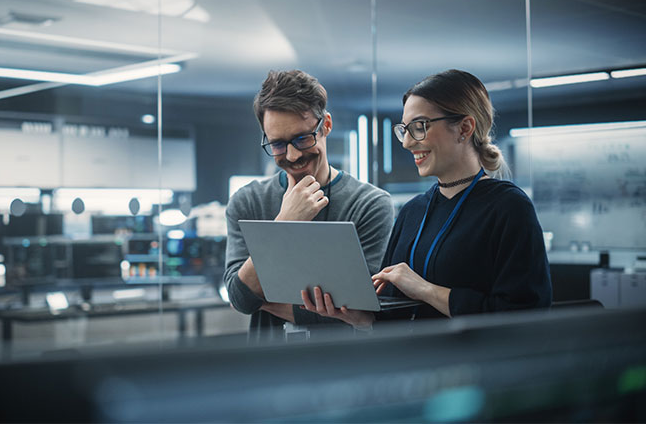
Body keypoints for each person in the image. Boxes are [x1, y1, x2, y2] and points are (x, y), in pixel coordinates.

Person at [364, 69, 552, 320]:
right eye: (404, 129)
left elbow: (524, 315)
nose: (407, 142)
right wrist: (360, 316)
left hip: (472, 359)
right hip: (410, 358)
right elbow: (393, 312)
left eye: (419, 127)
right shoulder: (412, 212)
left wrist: (425, 290)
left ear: (464, 128)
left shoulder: (508, 207)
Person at [223, 69, 394, 338]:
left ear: (325, 125)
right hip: (271, 369)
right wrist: (284, 223)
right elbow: (240, 298)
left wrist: (262, 299)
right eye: (278, 144)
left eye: (302, 138)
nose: (292, 155)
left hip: (343, 369)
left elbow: (363, 310)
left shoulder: (370, 204)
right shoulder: (247, 201)